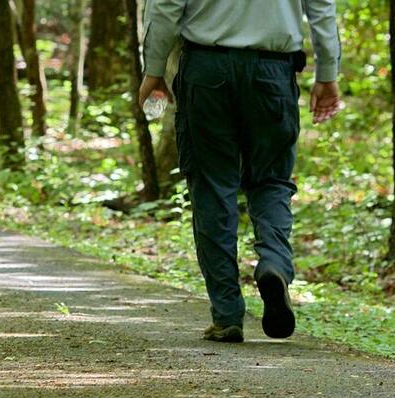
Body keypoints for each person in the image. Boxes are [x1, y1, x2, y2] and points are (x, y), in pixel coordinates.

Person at [137, 0, 341, 343]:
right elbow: (321, 7)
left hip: (207, 69)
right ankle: (274, 263)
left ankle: (227, 314)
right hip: (273, 71)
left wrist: (154, 70)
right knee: (272, 180)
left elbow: (166, 5)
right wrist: (327, 74)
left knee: (212, 187)